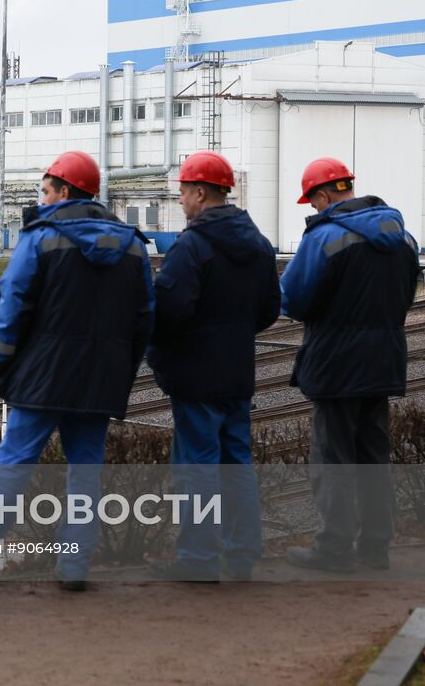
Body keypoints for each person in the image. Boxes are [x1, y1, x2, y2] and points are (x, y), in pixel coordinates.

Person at [0, 150, 153, 590]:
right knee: (86, 471)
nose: (41, 199)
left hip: (43, 373)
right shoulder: (132, 245)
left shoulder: (42, 236)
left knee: (14, 464)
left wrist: (3, 359)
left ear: (64, 191)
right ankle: (74, 567)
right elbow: (145, 316)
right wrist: (121, 368)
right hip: (99, 378)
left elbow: (13, 302)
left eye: (46, 191)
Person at [280, 157, 419, 573]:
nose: (313, 209)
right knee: (373, 455)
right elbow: (406, 298)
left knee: (333, 457)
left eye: (313, 202)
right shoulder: (404, 237)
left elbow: (293, 300)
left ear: (324, 196)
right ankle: (376, 548)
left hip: (336, 363)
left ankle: (334, 548)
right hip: (385, 359)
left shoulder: (325, 236)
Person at [146, 152, 279, 582]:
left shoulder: (192, 246)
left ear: (201, 193)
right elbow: (269, 309)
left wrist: (162, 349)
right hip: (237, 371)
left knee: (197, 468)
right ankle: (241, 556)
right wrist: (232, 334)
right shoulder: (259, 244)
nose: (181, 200)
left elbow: (168, 311)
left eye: (184, 192)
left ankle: (198, 559)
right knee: (236, 463)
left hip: (194, 374)